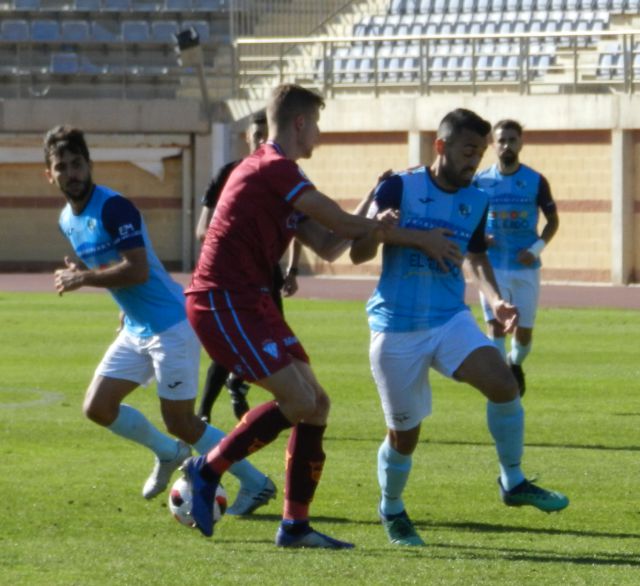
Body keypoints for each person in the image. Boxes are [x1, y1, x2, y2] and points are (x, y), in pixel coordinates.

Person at [182, 84, 461, 548]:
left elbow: (332, 245)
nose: (319, 132)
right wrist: (418, 237)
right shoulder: (273, 167)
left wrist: (374, 202)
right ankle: (206, 468)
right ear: (299, 123)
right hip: (221, 300)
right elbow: (342, 226)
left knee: (317, 405)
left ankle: (295, 526)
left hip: (253, 303)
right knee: (297, 401)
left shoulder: (280, 179)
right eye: (316, 122)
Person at [350, 108, 570, 548]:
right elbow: (357, 252)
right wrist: (385, 233)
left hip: (450, 319)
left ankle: (513, 480)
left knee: (505, 385)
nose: (475, 161)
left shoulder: (477, 199)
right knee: (404, 436)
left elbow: (476, 256)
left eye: (480, 152)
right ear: (441, 147)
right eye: (468, 151)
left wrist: (495, 299)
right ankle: (391, 507)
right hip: (397, 327)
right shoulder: (399, 186)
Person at [46, 125, 275, 517]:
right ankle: (169, 454)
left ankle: (256, 484)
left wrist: (83, 277)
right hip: (138, 327)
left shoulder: (114, 207)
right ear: (49, 175)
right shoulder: (67, 219)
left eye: (77, 163)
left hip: (172, 324)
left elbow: (136, 270)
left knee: (182, 420)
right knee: (98, 407)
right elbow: (116, 266)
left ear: (90, 164)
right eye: (62, 167)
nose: (72, 173)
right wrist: (95, 278)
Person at [194, 111, 303, 423]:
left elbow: (298, 226)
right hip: (231, 279)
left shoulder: (285, 176)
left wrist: (293, 270)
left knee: (278, 346)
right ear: (247, 138)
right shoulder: (228, 174)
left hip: (267, 277)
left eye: (265, 134)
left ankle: (245, 387)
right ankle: (204, 412)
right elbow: (203, 230)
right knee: (229, 346)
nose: (260, 140)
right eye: (256, 135)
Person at [471, 119, 559, 397]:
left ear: (521, 143)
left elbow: (553, 222)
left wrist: (534, 250)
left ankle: (514, 362)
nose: (507, 145)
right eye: (502, 140)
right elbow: (466, 217)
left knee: (523, 333)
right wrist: (479, 238)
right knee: (495, 324)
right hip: (492, 267)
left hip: (525, 268)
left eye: (512, 139)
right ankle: (501, 377)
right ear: (492, 144)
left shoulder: (535, 180)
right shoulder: (480, 181)